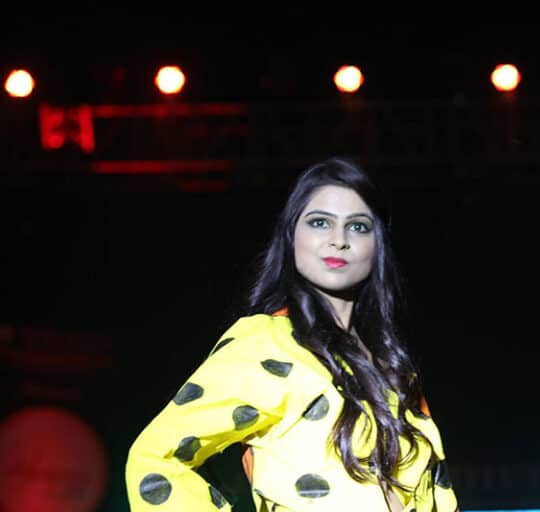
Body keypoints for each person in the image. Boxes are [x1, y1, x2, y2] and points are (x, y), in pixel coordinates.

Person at [125, 156, 459, 512]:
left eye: (358, 226)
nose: (339, 240)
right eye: (320, 222)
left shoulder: (394, 371)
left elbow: (439, 495)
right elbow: (156, 459)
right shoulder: (266, 343)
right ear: (291, 237)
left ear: (377, 246)